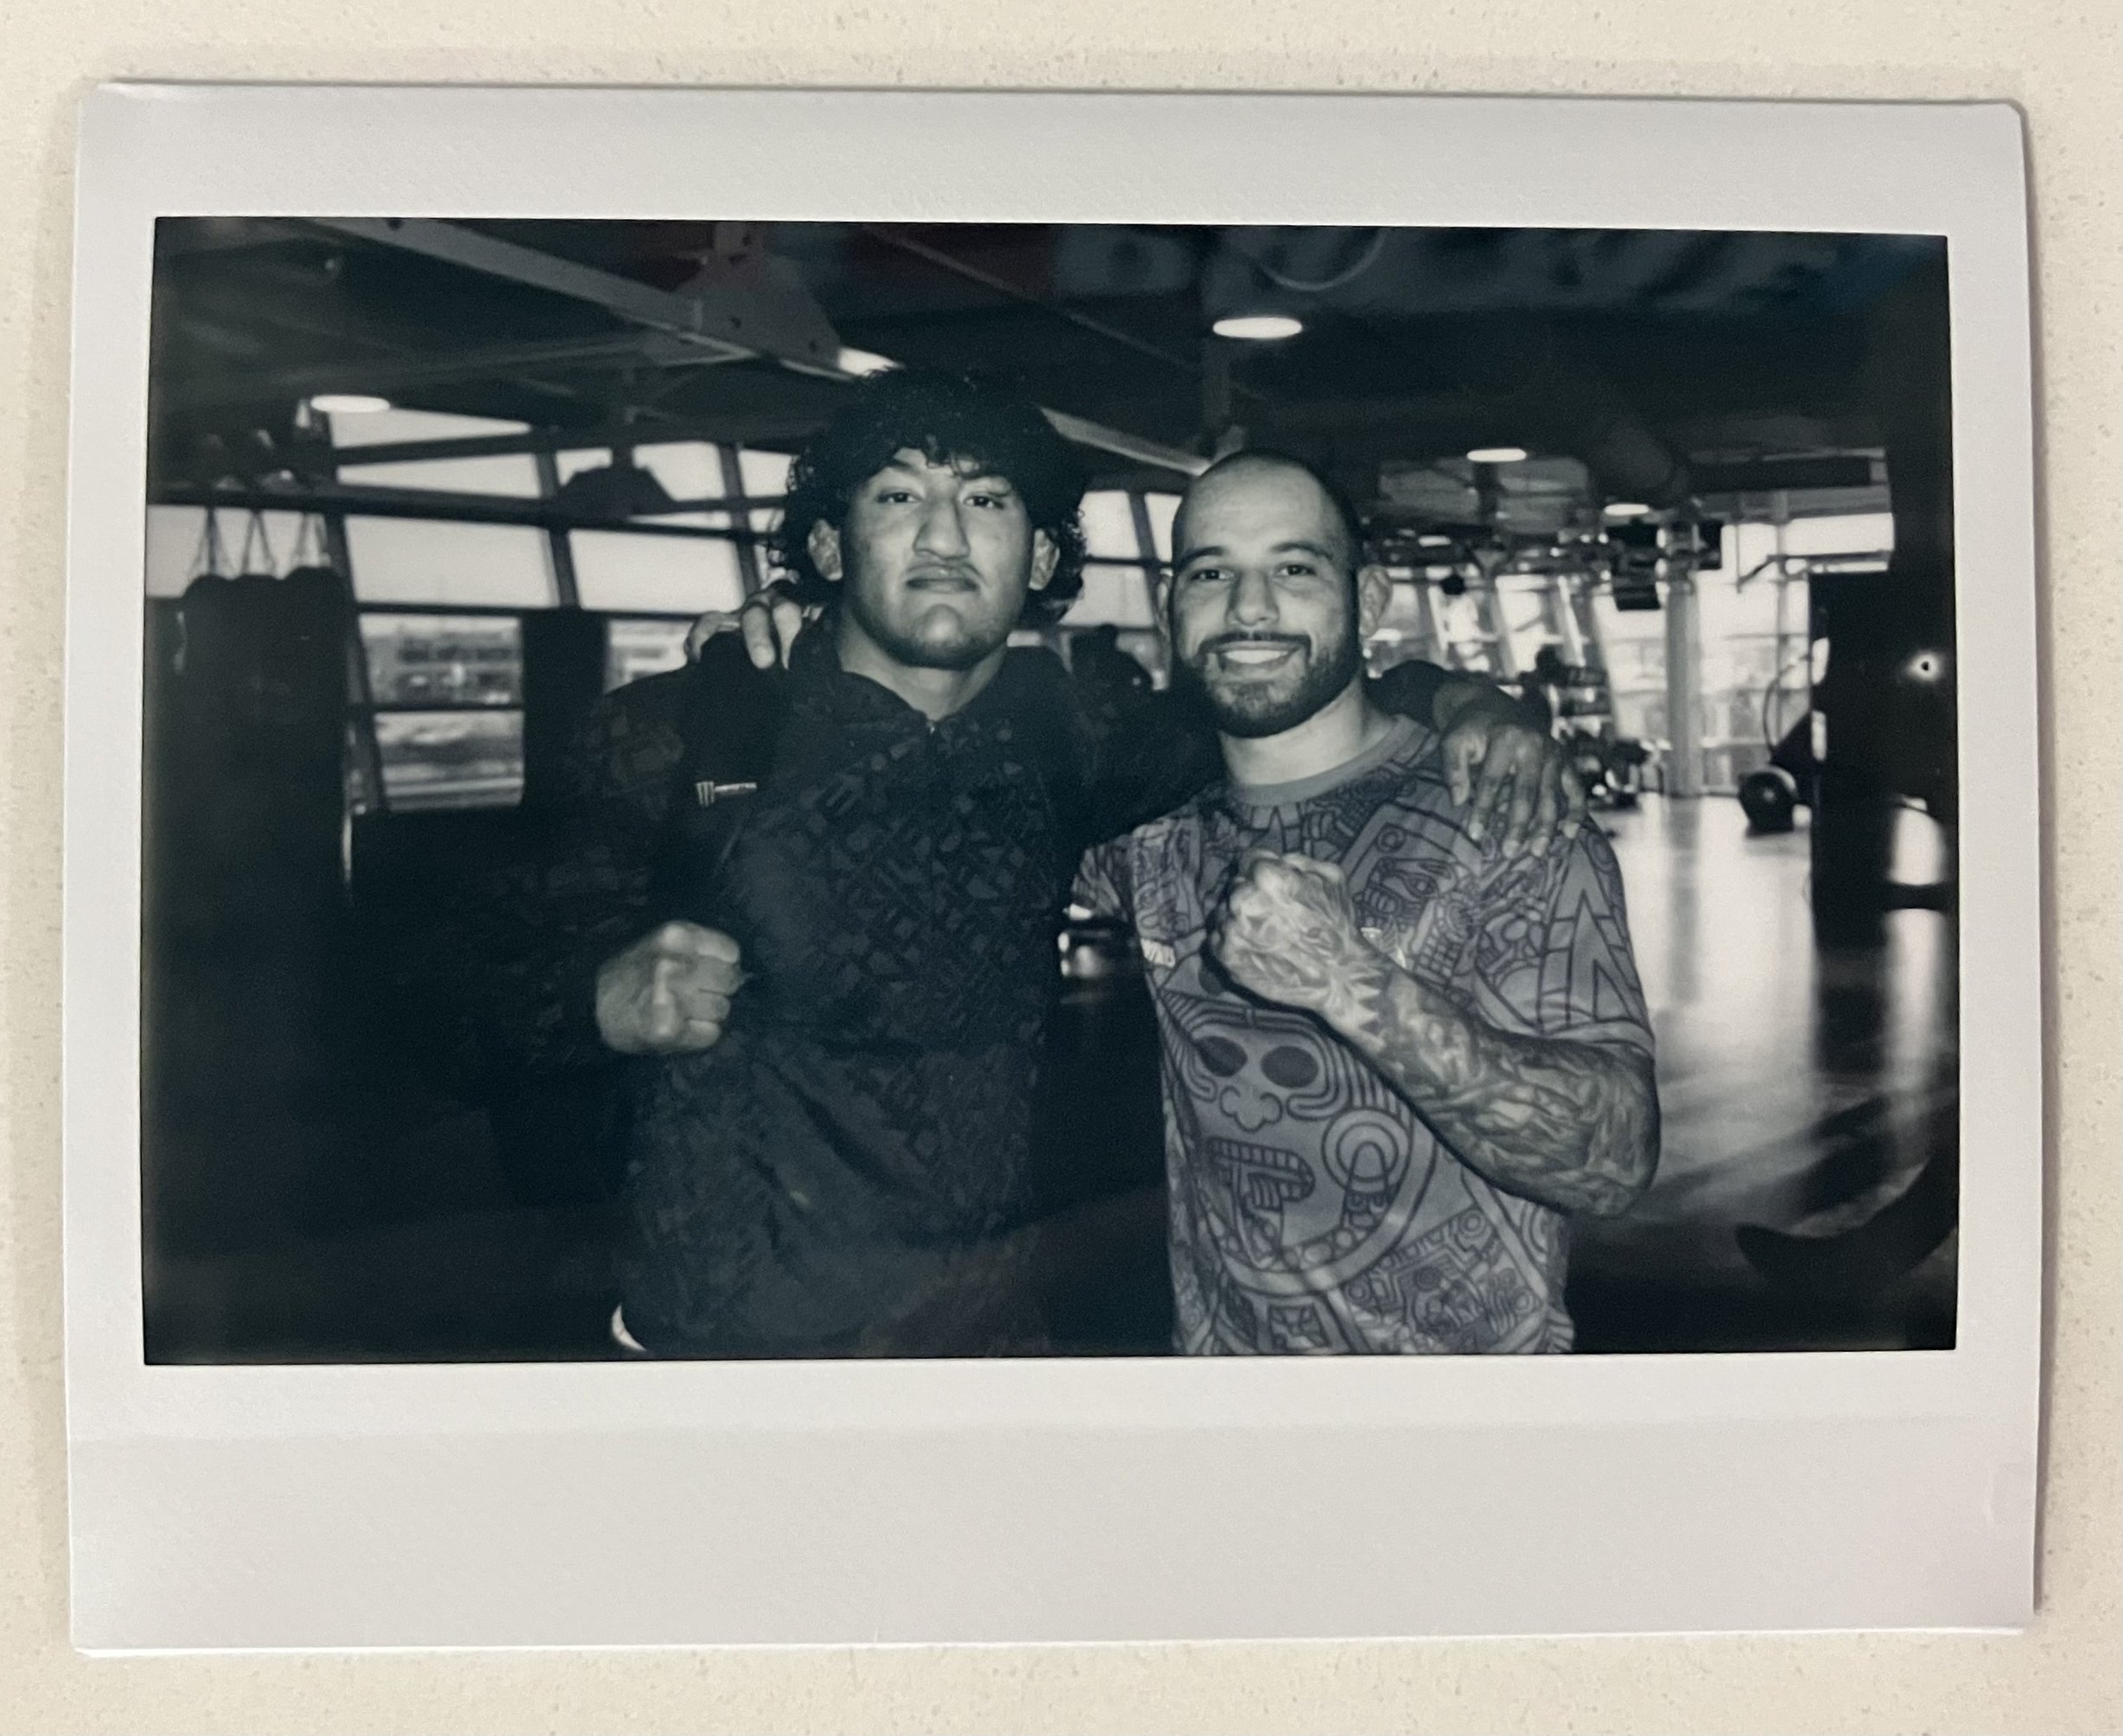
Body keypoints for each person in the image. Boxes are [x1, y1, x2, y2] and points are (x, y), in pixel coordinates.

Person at [481, 370, 1584, 1358]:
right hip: (725, 1351)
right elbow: (452, 994)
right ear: (829, 548)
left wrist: (1468, 699)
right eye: (898, 496)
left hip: (982, 1336)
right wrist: (594, 999)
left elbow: (1277, 690)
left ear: (1042, 557)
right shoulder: (677, 733)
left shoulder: (1067, 737)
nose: (943, 537)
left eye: (987, 501)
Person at [1072, 450, 1660, 1354]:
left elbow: (1613, 1161)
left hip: (1456, 1410)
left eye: (1294, 569)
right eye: (1211, 573)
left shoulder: (1505, 815)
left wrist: (1348, 981)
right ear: (1171, 605)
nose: (1249, 608)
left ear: (1370, 598)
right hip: (1225, 1398)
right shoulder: (1147, 832)